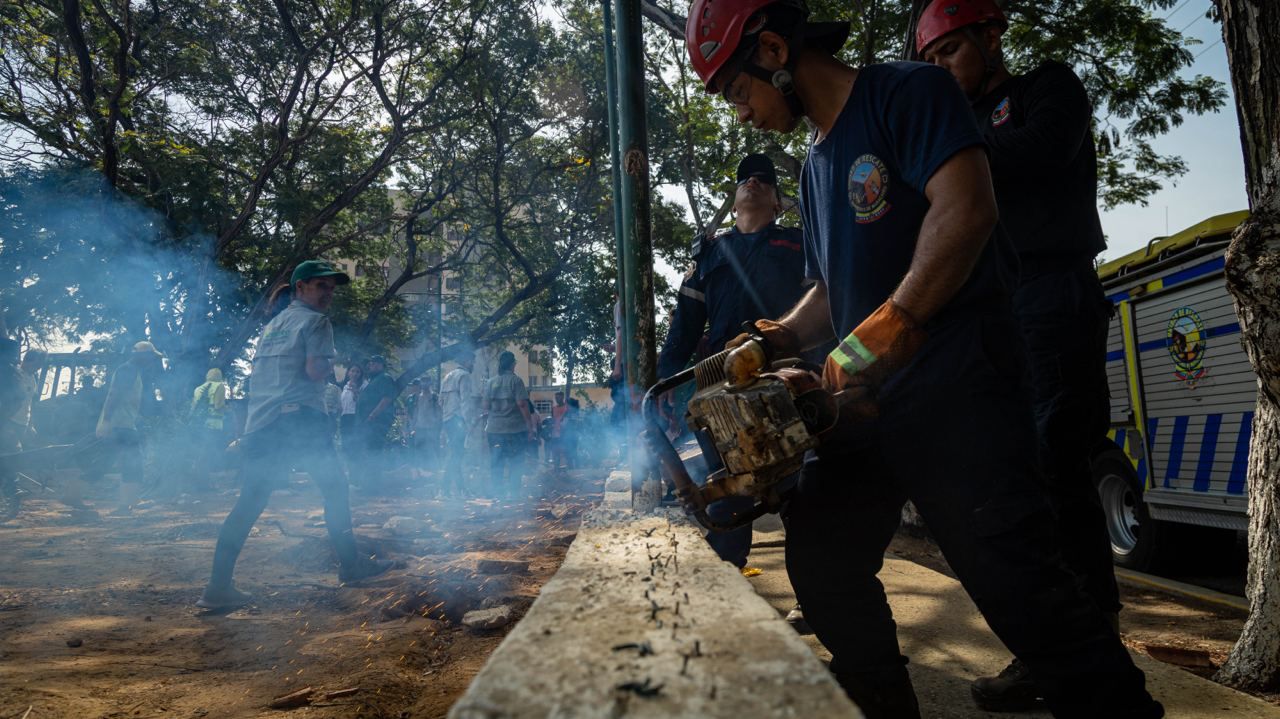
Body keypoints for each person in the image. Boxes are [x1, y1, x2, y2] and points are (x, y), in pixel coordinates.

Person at [684, 2, 1162, 717]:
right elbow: (826, 286)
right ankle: (881, 697)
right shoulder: (815, 163)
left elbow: (964, 211)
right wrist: (776, 336)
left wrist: (882, 331)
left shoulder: (909, 92)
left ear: (776, 48)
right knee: (822, 557)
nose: (743, 114)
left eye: (738, 92)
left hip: (958, 386)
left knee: (1023, 590)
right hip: (867, 408)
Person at [916, 2, 1122, 709]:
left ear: (990, 35)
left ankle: (1094, 651)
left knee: (1057, 465)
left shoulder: (1046, 88)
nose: (941, 69)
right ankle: (1059, 651)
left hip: (1055, 292)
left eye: (949, 53)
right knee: (1020, 480)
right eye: (931, 60)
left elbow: (1044, 151)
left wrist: (952, 161)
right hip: (999, 310)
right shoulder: (959, 125)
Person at [197, 260, 393, 610]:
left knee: (250, 502)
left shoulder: (272, 327)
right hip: (299, 420)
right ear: (300, 287)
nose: (328, 294)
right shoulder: (317, 322)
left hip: (262, 424)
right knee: (335, 488)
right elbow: (316, 372)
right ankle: (352, 567)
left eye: (331, 289)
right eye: (321, 286)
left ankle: (217, 587)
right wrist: (334, 361)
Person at [656, 152, 813, 573]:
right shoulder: (710, 252)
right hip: (720, 384)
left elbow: (820, 305)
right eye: (746, 179)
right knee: (727, 478)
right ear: (734, 195)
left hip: (785, 374)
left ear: (779, 203)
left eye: (764, 179)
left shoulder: (799, 243)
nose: (754, 182)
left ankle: (816, 587)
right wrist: (664, 383)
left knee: (800, 483)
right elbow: (685, 326)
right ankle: (726, 573)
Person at [91, 341, 165, 515]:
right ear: (142, 356)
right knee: (132, 463)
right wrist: (107, 421)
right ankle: (125, 505)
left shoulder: (132, 371)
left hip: (123, 423)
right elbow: (113, 395)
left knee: (120, 463)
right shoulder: (128, 370)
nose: (152, 360)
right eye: (151, 357)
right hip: (120, 425)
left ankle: (127, 504)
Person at [482, 351, 535, 499]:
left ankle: (498, 495)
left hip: (493, 430)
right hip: (514, 430)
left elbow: (485, 406)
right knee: (516, 462)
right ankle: (514, 495)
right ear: (513, 364)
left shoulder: (490, 382)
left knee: (497, 463)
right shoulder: (516, 381)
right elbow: (522, 404)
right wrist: (530, 428)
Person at [354, 354, 399, 487]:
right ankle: (368, 483)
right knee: (368, 451)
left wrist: (372, 416)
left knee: (373, 452)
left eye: (374, 363)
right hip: (368, 423)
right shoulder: (373, 381)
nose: (371, 365)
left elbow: (386, 399)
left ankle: (372, 484)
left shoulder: (384, 378)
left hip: (376, 422)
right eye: (371, 363)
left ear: (381, 365)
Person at [440, 353, 477, 497]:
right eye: (472, 361)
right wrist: (469, 423)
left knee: (456, 454)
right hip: (458, 420)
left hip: (447, 420)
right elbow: (466, 401)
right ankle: (445, 489)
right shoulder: (465, 376)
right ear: (467, 361)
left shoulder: (447, 376)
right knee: (456, 455)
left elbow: (440, 401)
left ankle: (458, 490)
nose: (473, 364)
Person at [189, 368, 231, 486]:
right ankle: (203, 484)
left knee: (199, 455)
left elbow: (193, 408)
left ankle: (198, 481)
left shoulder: (198, 388)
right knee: (207, 455)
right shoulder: (219, 386)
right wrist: (228, 409)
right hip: (213, 425)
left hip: (198, 425)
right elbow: (218, 406)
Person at [339, 364, 363, 451]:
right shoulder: (345, 386)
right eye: (352, 371)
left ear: (360, 374)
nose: (355, 373)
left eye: (357, 372)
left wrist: (355, 390)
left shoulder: (363, 385)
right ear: (348, 373)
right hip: (344, 415)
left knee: (353, 440)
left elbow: (361, 402)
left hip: (355, 416)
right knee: (344, 439)